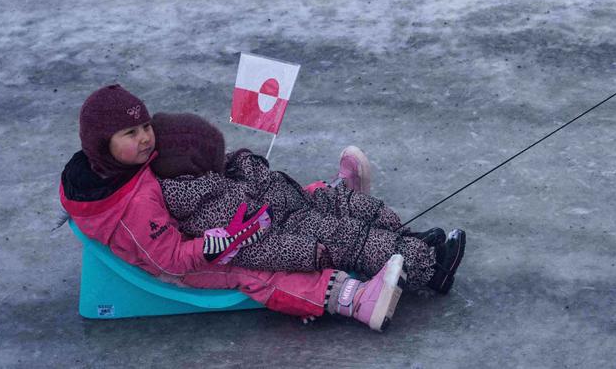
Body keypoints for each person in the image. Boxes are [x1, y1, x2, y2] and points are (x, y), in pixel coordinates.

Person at [60, 84, 444, 331]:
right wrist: (210, 245)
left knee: (275, 199)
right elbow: (169, 261)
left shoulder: (120, 167)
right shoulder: (136, 205)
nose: (145, 138)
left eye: (145, 126)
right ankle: (355, 299)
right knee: (257, 269)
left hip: (196, 228)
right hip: (194, 262)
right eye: (131, 133)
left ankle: (339, 202)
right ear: (102, 144)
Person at [148, 111, 465, 294]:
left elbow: (259, 182)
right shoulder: (203, 205)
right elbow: (255, 247)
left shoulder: (218, 174)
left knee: (351, 205)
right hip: (292, 233)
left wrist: (248, 166)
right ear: (195, 166)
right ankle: (432, 269)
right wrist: (307, 251)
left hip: (295, 204)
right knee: (352, 239)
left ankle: (408, 240)